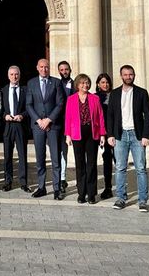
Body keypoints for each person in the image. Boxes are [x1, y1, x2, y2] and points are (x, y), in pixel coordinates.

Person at [106, 65, 149, 212]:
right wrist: (110, 135)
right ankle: (120, 198)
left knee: (140, 168)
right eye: (125, 74)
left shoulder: (142, 93)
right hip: (120, 135)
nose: (128, 77)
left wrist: (146, 135)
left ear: (134, 75)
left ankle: (143, 200)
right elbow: (110, 115)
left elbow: (148, 115)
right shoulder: (114, 94)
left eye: (131, 74)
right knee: (120, 167)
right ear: (121, 76)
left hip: (137, 135)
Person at [26, 58, 66, 200]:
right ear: (37, 67)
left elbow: (60, 103)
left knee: (55, 157)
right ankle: (41, 187)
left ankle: (56, 189)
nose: (44, 69)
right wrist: (39, 120)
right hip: (38, 126)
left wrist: (49, 119)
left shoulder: (56, 82)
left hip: (53, 125)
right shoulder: (31, 83)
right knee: (40, 158)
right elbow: (29, 105)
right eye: (41, 67)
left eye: (47, 67)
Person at [64, 74, 105, 204]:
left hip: (92, 134)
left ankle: (91, 194)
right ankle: (81, 193)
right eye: (82, 83)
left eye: (87, 83)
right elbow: (68, 118)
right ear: (77, 85)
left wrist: (103, 134)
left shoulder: (95, 98)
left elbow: (100, 116)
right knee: (80, 164)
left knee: (92, 164)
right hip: (77, 134)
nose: (85, 85)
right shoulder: (71, 99)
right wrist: (68, 135)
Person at [1, 66, 31, 193]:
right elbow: (0, 108)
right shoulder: (3, 91)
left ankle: (23, 182)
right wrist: (4, 116)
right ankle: (8, 181)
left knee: (22, 154)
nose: (14, 77)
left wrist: (22, 115)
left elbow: (29, 107)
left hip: (20, 125)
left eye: (16, 74)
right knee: (7, 155)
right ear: (8, 76)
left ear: (19, 75)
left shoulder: (25, 90)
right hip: (8, 126)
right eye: (12, 74)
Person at [95, 73, 115, 199]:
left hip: (112, 131)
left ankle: (110, 188)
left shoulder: (115, 95)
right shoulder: (94, 97)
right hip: (98, 131)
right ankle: (105, 187)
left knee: (115, 160)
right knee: (106, 158)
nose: (105, 84)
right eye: (102, 82)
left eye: (107, 82)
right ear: (98, 84)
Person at [57, 60, 74, 192]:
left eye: (66, 69)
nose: (64, 72)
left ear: (70, 70)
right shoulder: (55, 83)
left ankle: (63, 178)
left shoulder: (75, 84)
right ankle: (60, 177)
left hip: (71, 123)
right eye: (61, 70)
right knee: (58, 151)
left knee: (65, 150)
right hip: (57, 122)